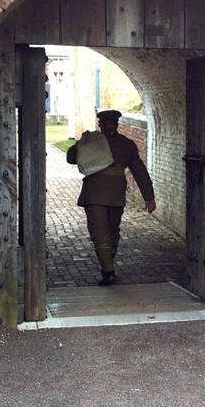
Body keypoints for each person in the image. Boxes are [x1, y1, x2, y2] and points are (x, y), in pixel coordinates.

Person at [66, 109, 156, 286]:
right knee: (113, 230)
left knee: (100, 232)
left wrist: (80, 143)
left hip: (94, 192)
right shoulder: (127, 144)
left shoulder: (91, 142)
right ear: (117, 124)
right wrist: (149, 196)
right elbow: (139, 171)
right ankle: (108, 265)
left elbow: (71, 158)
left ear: (100, 124)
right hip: (116, 193)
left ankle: (108, 271)